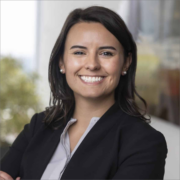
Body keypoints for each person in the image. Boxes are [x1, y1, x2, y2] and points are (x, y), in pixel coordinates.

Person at [0, 5, 168, 180]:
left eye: (106, 53)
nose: (92, 64)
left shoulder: (144, 143)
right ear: (62, 62)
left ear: (126, 63)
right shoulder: (38, 126)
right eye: (79, 52)